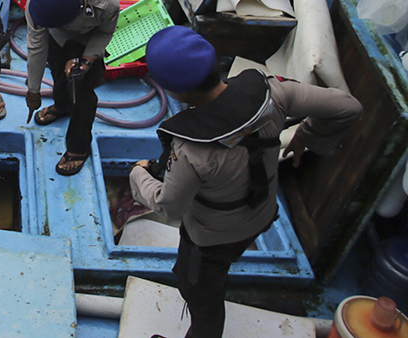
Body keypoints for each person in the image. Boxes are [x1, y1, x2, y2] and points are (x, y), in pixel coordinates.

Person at [130, 26, 362, 338]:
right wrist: (308, 134)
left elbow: (168, 207)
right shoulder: (274, 93)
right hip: (262, 215)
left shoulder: (190, 151)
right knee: (214, 270)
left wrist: (138, 174)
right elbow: (349, 107)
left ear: (179, 93)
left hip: (212, 240)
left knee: (202, 299)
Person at [24, 0, 119, 175]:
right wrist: (33, 91)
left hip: (88, 35)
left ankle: (78, 147)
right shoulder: (38, 3)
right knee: (58, 68)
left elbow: (105, 32)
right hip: (56, 34)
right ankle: (61, 105)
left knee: (81, 89)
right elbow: (36, 47)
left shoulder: (106, 2)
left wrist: (86, 60)